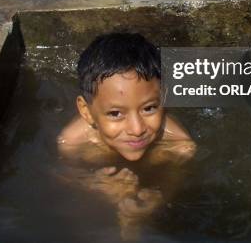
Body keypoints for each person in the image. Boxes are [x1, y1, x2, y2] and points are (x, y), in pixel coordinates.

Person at [57, 32, 196, 239]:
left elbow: (173, 178)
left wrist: (157, 198)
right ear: (86, 112)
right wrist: (91, 183)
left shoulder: (178, 145)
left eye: (149, 108)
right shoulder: (72, 142)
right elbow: (63, 174)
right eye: (115, 113)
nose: (137, 128)